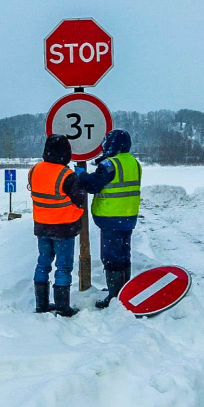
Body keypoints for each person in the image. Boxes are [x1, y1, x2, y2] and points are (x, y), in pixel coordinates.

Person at [75, 129, 141, 308]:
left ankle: (114, 296)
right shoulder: (133, 162)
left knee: (111, 257)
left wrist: (81, 174)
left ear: (112, 145)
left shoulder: (110, 164)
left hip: (111, 217)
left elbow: (92, 185)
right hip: (128, 216)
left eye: (106, 143)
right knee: (124, 255)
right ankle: (123, 290)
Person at [29, 134, 87, 316]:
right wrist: (80, 180)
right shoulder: (66, 175)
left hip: (41, 226)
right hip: (63, 228)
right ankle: (62, 307)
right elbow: (80, 199)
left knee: (43, 263)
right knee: (63, 267)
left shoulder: (35, 170)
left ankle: (42, 304)